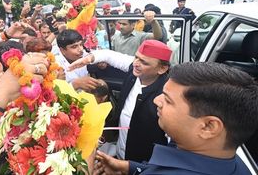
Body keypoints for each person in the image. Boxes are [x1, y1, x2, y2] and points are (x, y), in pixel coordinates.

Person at [94, 62, 258, 175]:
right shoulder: (229, 159)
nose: (156, 101)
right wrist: (131, 168)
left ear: (208, 127)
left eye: (167, 99)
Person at [69, 40, 172, 162]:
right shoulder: (136, 70)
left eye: (144, 62)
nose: (136, 64)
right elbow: (109, 56)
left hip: (142, 164)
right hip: (120, 153)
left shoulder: (167, 97)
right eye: (136, 58)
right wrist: (89, 59)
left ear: (162, 69)